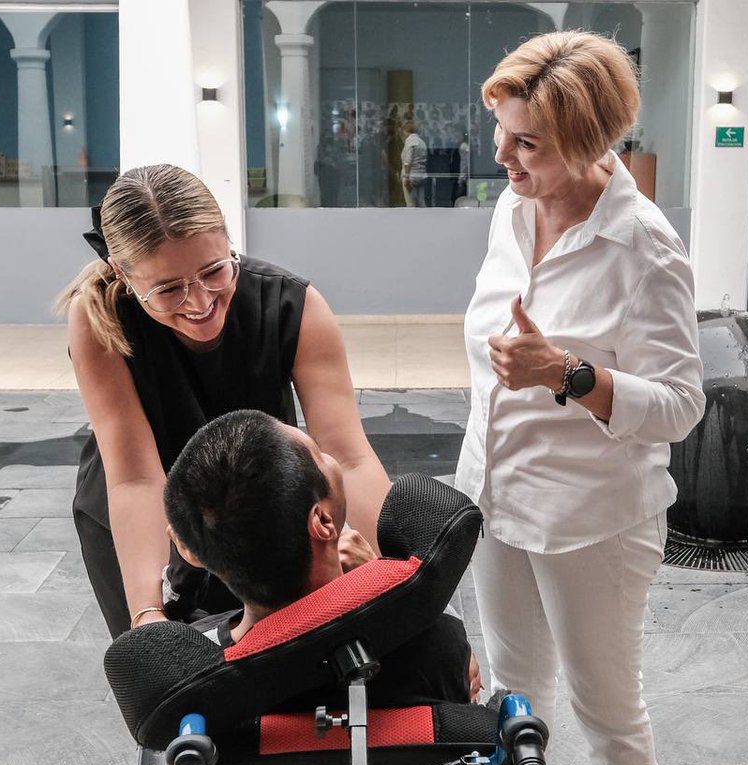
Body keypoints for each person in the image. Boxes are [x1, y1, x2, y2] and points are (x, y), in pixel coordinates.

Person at [453, 32, 705, 765]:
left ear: (591, 142)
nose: (502, 156)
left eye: (528, 143)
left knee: (607, 715)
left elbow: (681, 404)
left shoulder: (644, 247)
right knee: (515, 701)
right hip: (495, 501)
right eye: (501, 132)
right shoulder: (512, 208)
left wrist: (568, 374)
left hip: (592, 520)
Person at [58, 164, 390, 638]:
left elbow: (349, 456)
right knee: (165, 661)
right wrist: (148, 616)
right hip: (136, 502)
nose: (199, 302)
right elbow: (134, 477)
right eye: (167, 289)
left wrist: (404, 579)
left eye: (214, 270)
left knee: (273, 652)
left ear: (228, 240)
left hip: (254, 498)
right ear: (122, 275)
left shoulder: (293, 305)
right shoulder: (99, 319)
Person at [164, 409, 479, 707]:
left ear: (196, 553)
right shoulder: (436, 652)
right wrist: (378, 577)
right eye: (319, 453)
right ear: (322, 521)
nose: (330, 458)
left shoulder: (195, 674)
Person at [399, 119, 428, 208]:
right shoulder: (422, 142)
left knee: (410, 202)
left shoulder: (410, 142)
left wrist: (406, 177)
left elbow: (408, 161)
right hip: (421, 175)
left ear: (406, 131)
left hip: (411, 176)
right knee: (421, 202)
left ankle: (412, 217)